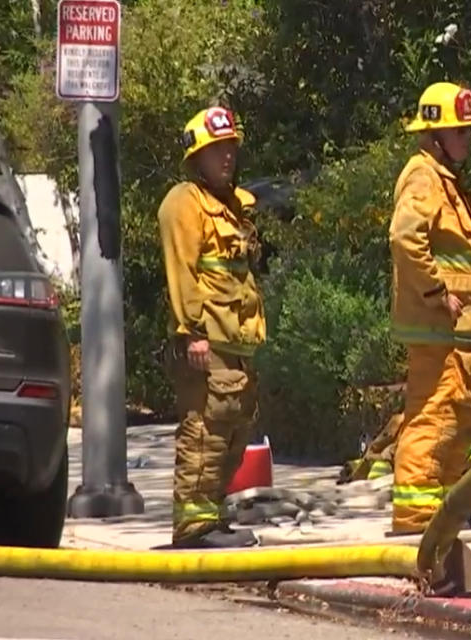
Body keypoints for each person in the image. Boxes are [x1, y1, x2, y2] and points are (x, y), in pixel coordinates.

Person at [388, 81, 471, 534]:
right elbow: (404, 236)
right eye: (461, 132)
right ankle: (417, 519)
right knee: (432, 421)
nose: (468, 139)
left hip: (461, 334)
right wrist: (436, 293)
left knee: (457, 426)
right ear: (435, 136)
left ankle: (447, 511)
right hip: (440, 330)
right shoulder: (423, 176)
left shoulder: (448, 183)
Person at [157, 106, 265, 548]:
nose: (226, 157)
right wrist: (192, 333)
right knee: (205, 430)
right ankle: (194, 527)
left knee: (232, 431)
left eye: (230, 148)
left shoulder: (232, 206)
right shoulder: (184, 204)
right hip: (207, 339)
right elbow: (182, 272)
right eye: (216, 149)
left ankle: (212, 516)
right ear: (195, 157)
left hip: (236, 341)